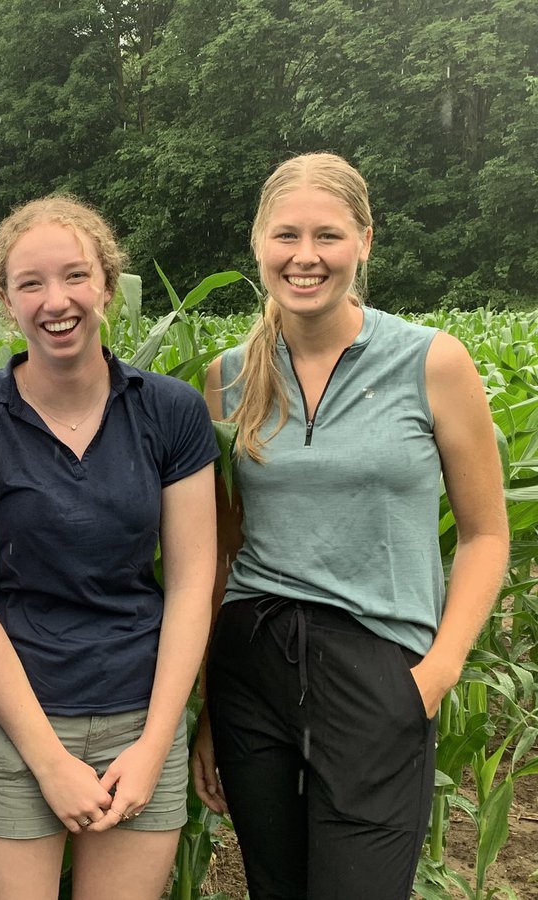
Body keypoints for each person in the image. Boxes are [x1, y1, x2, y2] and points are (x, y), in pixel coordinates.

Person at [190, 152, 510, 899]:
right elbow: (223, 551)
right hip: (251, 667)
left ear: (364, 241)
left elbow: (485, 535)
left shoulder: (431, 363)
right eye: (286, 235)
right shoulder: (228, 377)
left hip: (378, 667)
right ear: (259, 244)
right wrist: (208, 708)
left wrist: (435, 674)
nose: (305, 257)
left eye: (328, 236)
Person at [0, 196, 218, 900]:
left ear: (108, 286)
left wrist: (156, 745)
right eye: (30, 284)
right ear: (7, 302)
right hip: (14, 728)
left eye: (75, 276)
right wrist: (49, 762)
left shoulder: (171, 411)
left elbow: (193, 582)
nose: (56, 301)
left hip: (141, 717)